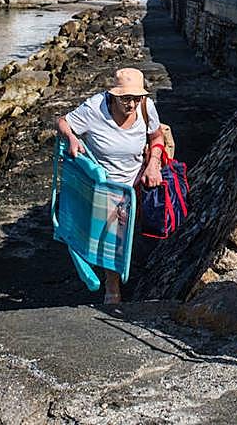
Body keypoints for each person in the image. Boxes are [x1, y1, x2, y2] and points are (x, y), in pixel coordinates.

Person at [56, 67, 165, 304]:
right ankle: (112, 288)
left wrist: (153, 163)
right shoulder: (94, 109)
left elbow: (157, 136)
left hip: (135, 182)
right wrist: (73, 138)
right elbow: (62, 122)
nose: (132, 104)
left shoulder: (146, 107)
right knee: (114, 237)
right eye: (126, 98)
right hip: (105, 184)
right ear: (114, 96)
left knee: (128, 235)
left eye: (137, 98)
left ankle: (118, 272)